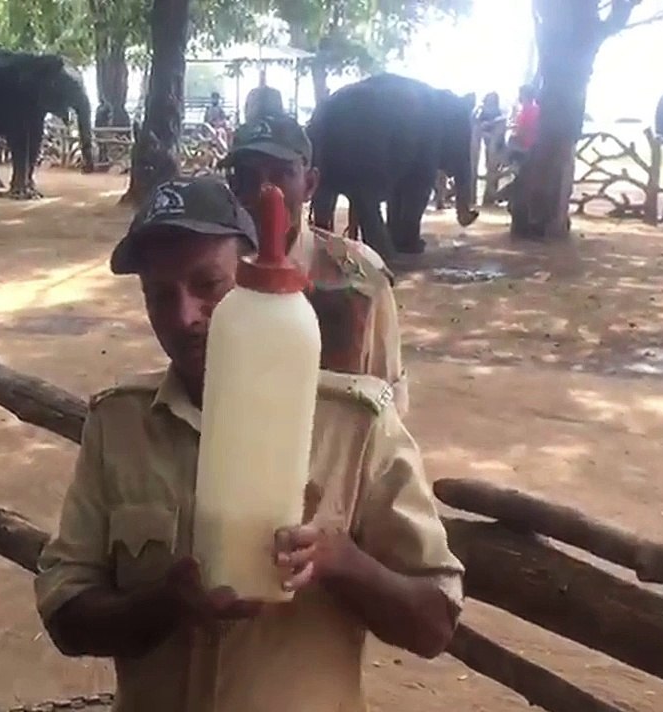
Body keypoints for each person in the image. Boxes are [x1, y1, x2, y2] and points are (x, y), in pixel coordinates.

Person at [33, 176, 463, 712]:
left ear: (252, 283)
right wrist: (162, 606)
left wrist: (341, 562)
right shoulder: (120, 426)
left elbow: (434, 624)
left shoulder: (354, 426)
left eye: (208, 285)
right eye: (159, 295)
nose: (184, 315)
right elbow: (66, 614)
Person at [219, 113, 409, 416]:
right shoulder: (215, 273)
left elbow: (387, 395)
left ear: (309, 184)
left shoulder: (356, 275)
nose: (264, 192)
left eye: (280, 175)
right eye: (246, 176)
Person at [508, 84, 540, 161]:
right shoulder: (534, 109)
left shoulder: (529, 110)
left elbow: (523, 130)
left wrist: (514, 132)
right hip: (530, 142)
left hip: (526, 144)